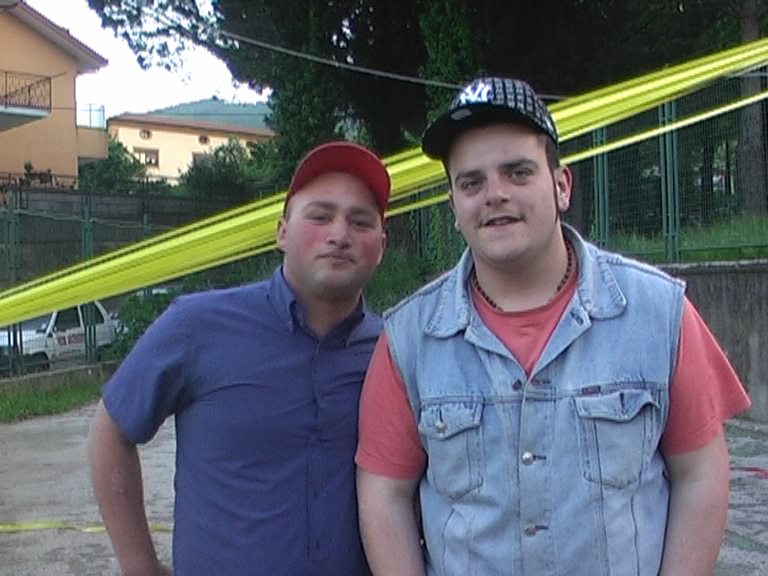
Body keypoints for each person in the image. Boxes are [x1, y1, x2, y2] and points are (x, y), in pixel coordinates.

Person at [355, 77, 751, 576]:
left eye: (518, 173)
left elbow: (700, 473)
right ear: (453, 206)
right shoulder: (409, 339)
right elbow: (384, 494)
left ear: (561, 186)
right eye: (471, 183)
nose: (495, 195)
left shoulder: (659, 313)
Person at [88, 141, 390, 576]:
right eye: (320, 216)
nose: (339, 234)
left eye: (360, 222)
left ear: (381, 245)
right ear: (282, 232)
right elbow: (111, 432)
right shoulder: (196, 326)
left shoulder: (394, 350)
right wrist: (140, 568)